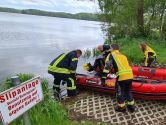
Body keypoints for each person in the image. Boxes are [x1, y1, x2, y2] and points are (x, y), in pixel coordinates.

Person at [103, 44, 135, 112]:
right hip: (130, 75)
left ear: (112, 49)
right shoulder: (123, 55)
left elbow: (107, 66)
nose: (110, 49)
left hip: (121, 77)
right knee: (128, 91)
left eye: (110, 48)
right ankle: (131, 106)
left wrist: (103, 77)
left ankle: (121, 108)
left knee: (120, 92)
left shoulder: (111, 54)